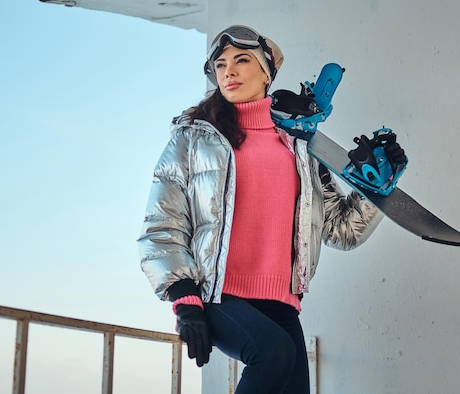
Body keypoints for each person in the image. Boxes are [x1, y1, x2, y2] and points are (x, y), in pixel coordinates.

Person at [138, 25, 404, 393]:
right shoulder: (193, 138)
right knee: (274, 354)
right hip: (216, 293)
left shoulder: (301, 147)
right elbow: (162, 224)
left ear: (268, 72)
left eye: (242, 60)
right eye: (220, 64)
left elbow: (343, 230)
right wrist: (183, 295)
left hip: (281, 303)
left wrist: (375, 189)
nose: (228, 71)